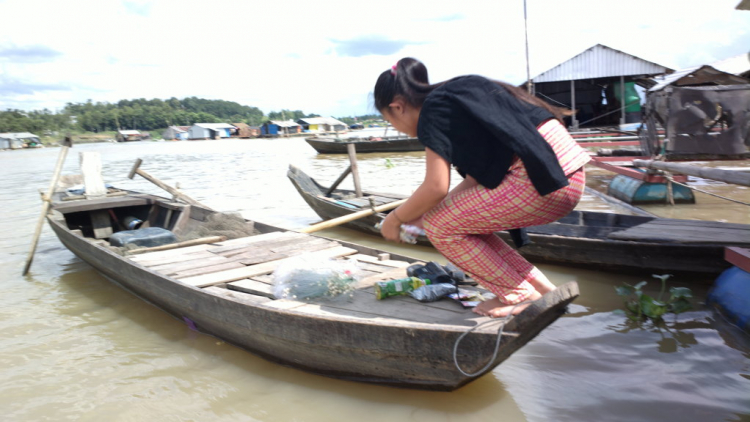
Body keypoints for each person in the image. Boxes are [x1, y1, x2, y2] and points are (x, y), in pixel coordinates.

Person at [374, 58, 591, 318]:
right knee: (450, 221)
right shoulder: (457, 94)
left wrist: (395, 219)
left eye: (389, 120)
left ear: (397, 107)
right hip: (569, 177)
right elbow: (473, 182)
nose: (395, 127)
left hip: (542, 181)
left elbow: (435, 187)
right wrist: (422, 214)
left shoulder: (431, 111)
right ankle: (540, 288)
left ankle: (519, 296)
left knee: (440, 227)